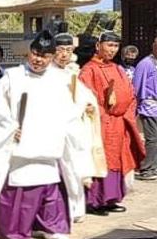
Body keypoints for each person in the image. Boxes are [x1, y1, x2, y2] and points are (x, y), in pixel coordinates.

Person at [0, 30, 84, 239]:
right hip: (19, 146)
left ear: (51, 57)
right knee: (19, 188)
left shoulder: (59, 79)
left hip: (49, 145)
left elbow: (68, 111)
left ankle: (50, 226)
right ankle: (16, 228)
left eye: (44, 56)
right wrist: (9, 127)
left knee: (50, 187)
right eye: (35, 53)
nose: (38, 59)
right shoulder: (12, 77)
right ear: (29, 53)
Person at [79, 30, 145, 215]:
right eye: (109, 45)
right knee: (100, 161)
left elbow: (131, 94)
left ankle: (112, 198)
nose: (112, 49)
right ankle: (95, 201)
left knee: (117, 161)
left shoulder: (118, 69)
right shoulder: (88, 70)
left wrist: (126, 113)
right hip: (101, 123)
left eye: (116, 46)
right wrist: (101, 115)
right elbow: (85, 98)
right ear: (98, 46)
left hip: (120, 122)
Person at [52, 22, 106, 223]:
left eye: (68, 50)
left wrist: (90, 107)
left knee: (74, 169)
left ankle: (76, 208)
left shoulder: (73, 72)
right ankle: (56, 210)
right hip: (53, 129)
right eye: (60, 50)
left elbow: (85, 96)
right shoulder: (46, 74)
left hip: (73, 129)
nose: (64, 54)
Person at [133, 37, 157, 181]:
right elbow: (136, 86)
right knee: (152, 139)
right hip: (149, 106)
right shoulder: (145, 64)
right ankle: (147, 169)